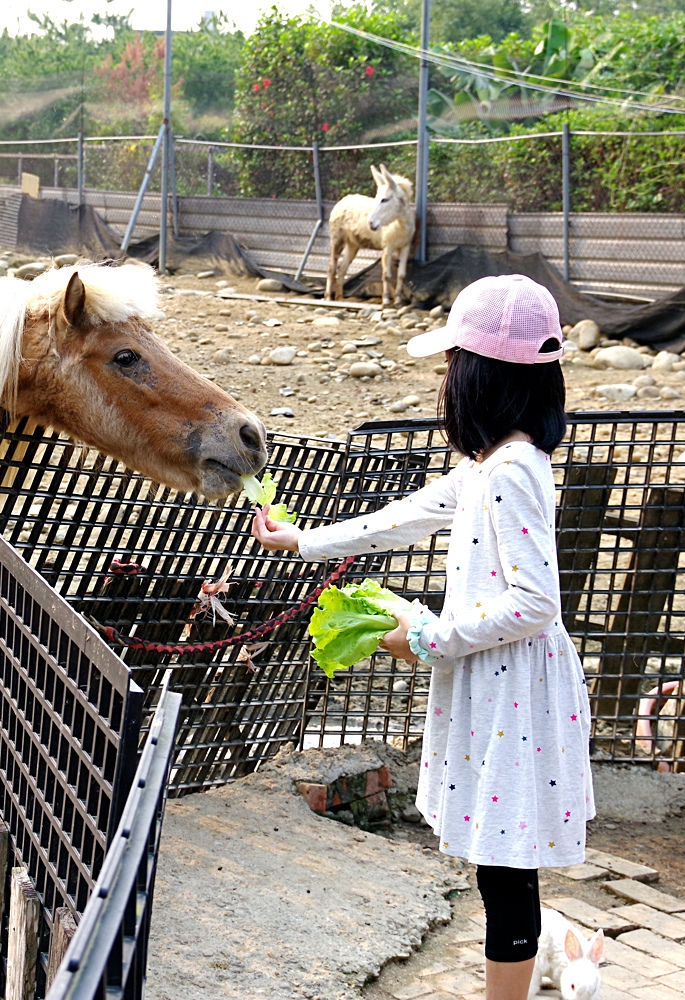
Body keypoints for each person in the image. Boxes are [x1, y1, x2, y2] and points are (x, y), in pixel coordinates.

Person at [251, 274, 595, 1000]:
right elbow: (406, 515)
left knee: (503, 868)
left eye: (452, 364)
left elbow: (536, 604)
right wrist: (304, 541)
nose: (445, 378)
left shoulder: (509, 473)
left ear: (479, 376)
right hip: (495, 680)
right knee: (500, 862)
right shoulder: (487, 465)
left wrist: (430, 637)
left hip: (511, 692)